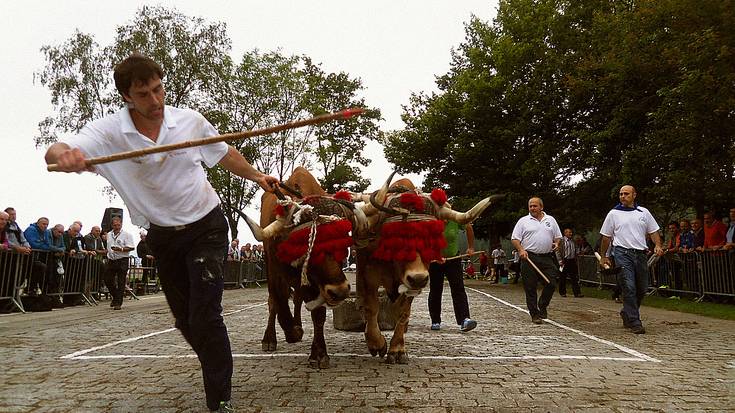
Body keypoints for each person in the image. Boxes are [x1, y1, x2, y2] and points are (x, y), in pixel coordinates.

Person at [45, 53, 278, 413]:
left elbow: (224, 153)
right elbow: (58, 149)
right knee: (185, 320)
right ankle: (214, 357)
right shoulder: (108, 134)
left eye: (158, 89)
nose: (155, 101)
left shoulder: (189, 122)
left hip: (207, 226)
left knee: (205, 314)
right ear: (126, 96)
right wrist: (66, 157)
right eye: (144, 95)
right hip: (163, 237)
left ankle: (220, 401)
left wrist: (257, 177)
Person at [599, 185, 664, 334]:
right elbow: (606, 237)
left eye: (626, 194)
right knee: (629, 286)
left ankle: (627, 312)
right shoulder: (613, 214)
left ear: (634, 195)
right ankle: (635, 321)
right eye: (621, 194)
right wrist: (604, 256)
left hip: (640, 253)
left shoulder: (644, 212)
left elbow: (653, 231)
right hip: (622, 253)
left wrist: (658, 245)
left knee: (642, 287)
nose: (623, 196)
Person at [511, 197, 561, 324]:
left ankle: (542, 304)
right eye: (530, 206)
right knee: (530, 287)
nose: (532, 208)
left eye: (535, 206)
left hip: (546, 257)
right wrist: (521, 250)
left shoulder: (550, 220)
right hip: (529, 257)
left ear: (541, 207)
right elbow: (515, 239)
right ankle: (534, 314)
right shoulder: (523, 221)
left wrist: (556, 243)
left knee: (551, 282)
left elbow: (558, 237)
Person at [428, 219, 478, 332]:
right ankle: (435, 320)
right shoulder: (432, 220)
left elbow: (468, 226)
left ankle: (464, 319)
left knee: (458, 288)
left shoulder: (455, 219)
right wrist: (434, 255)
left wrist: (471, 247)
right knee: (435, 289)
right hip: (435, 260)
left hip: (453, 258)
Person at [105, 217, 134, 310]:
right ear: (112, 225)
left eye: (118, 225)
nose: (116, 227)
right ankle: (115, 296)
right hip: (112, 259)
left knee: (121, 281)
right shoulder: (109, 234)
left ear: (121, 224)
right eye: (114, 225)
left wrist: (121, 249)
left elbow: (131, 247)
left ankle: (118, 302)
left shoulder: (127, 235)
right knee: (107, 279)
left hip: (122, 259)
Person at [558, 228, 583, 298]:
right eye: (569, 232)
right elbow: (558, 251)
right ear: (565, 233)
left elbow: (576, 248)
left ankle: (577, 293)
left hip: (571, 260)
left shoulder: (573, 241)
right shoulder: (562, 241)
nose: (570, 234)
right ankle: (562, 292)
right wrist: (560, 260)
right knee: (563, 276)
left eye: (571, 232)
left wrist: (577, 254)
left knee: (574, 277)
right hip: (564, 260)